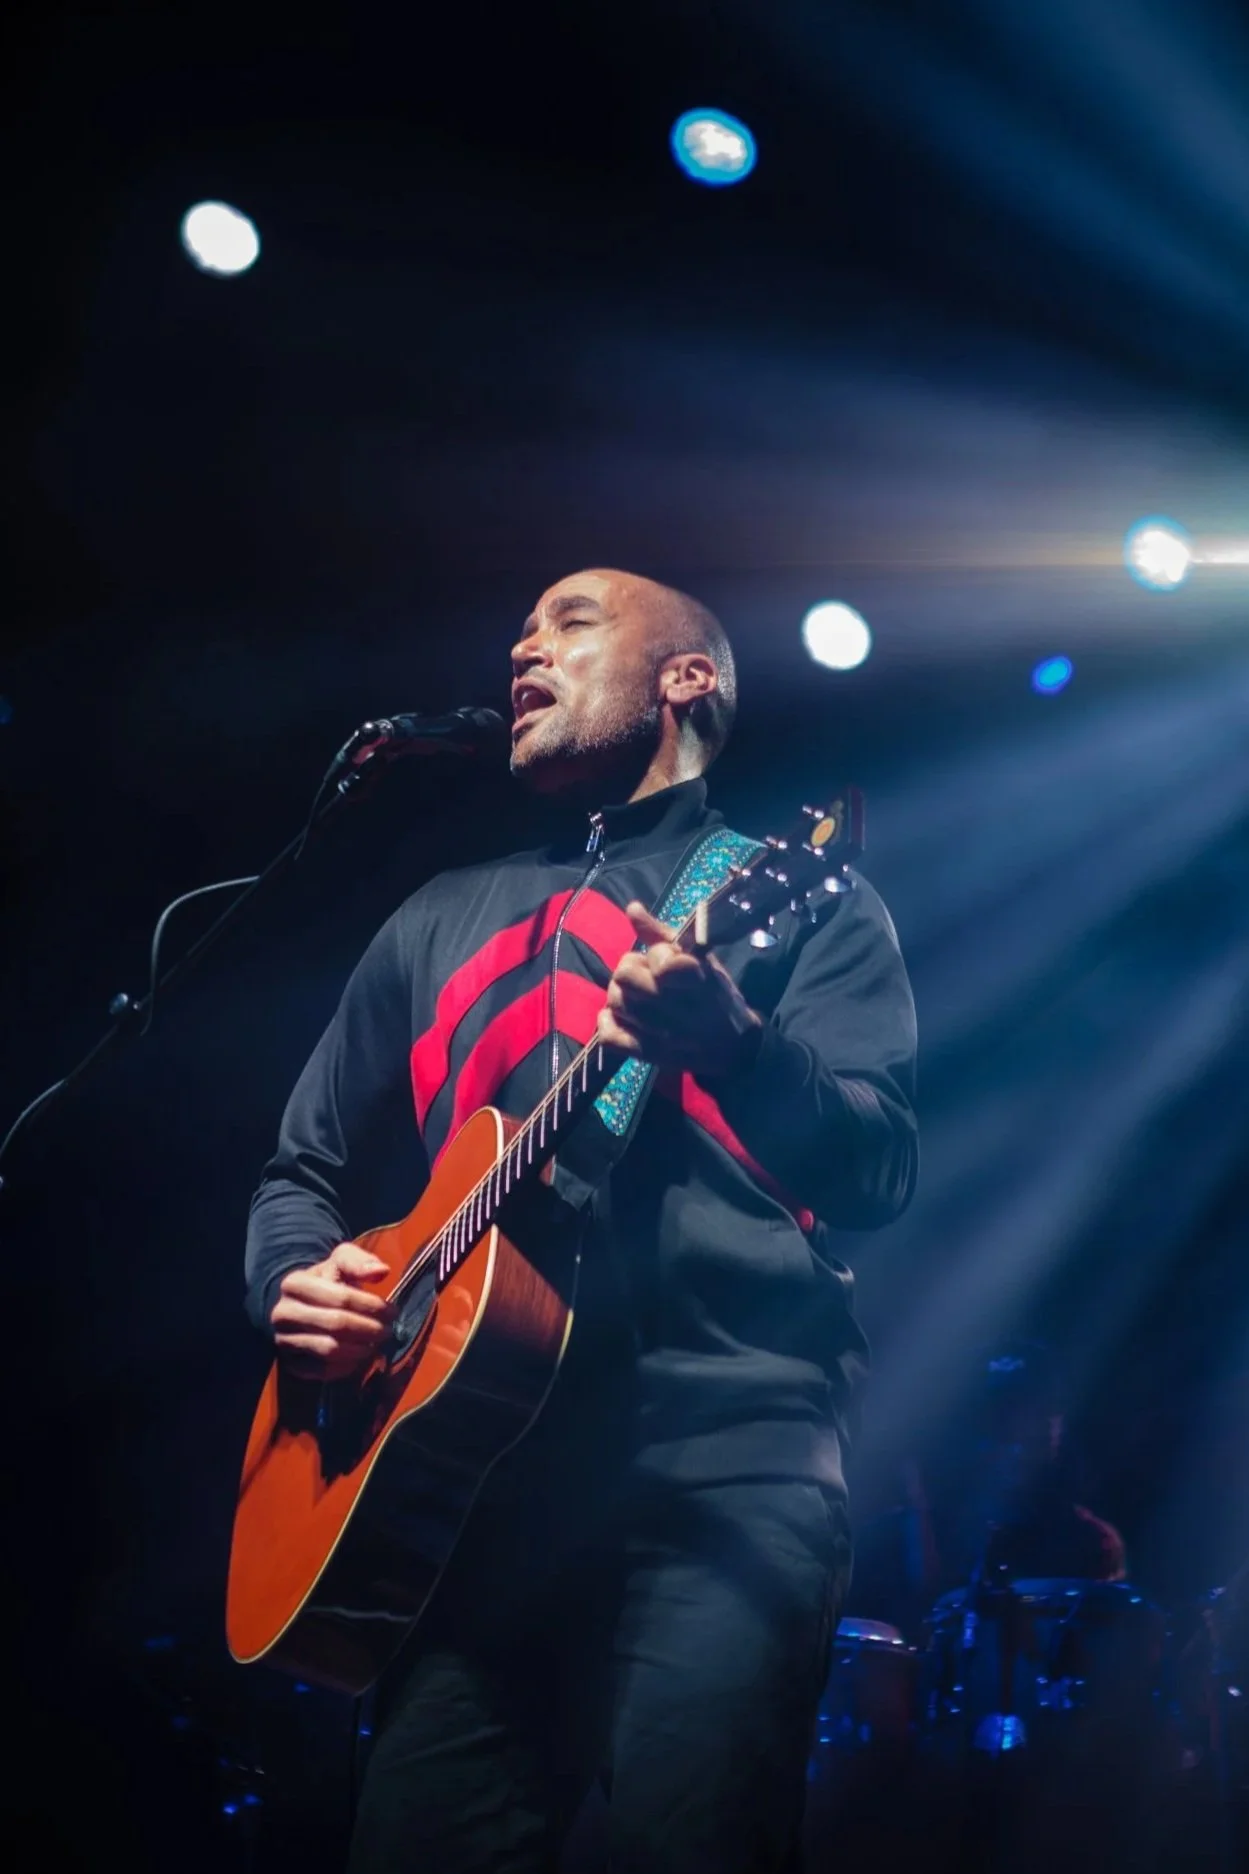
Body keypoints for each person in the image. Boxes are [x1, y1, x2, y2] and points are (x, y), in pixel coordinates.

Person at [243, 568, 919, 1874]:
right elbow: (298, 1167)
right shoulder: (435, 915)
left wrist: (732, 1042)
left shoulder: (794, 890)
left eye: (571, 619)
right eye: (520, 626)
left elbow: (880, 1167)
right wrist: (294, 1278)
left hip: (725, 1468)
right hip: (475, 1495)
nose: (522, 645)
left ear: (688, 679)